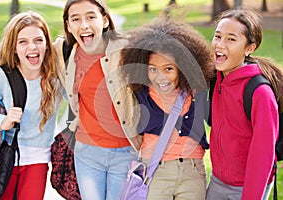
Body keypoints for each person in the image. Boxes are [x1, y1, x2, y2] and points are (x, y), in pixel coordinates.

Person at [53, 0, 142, 199]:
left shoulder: (127, 49)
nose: (84, 25)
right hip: (87, 153)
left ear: (104, 20)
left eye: (91, 17)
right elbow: (28, 53)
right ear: (68, 25)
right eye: (76, 19)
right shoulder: (64, 51)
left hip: (125, 152)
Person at [119, 16, 214, 199]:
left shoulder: (196, 92)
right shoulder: (141, 94)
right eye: (153, 69)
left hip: (192, 172)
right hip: (155, 171)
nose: (160, 77)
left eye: (168, 69)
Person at [206, 7, 283, 200]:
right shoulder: (215, 79)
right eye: (218, 36)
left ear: (249, 48)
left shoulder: (259, 92)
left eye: (231, 39)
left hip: (249, 186)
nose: (220, 44)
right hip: (217, 181)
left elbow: (263, 155)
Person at [0, 11, 61, 199]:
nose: (32, 47)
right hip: (3, 158)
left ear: (47, 45)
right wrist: (2, 121)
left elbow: (81, 100)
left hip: (38, 159)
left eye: (38, 40)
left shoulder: (55, 76)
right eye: (23, 41)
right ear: (14, 47)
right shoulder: (0, 75)